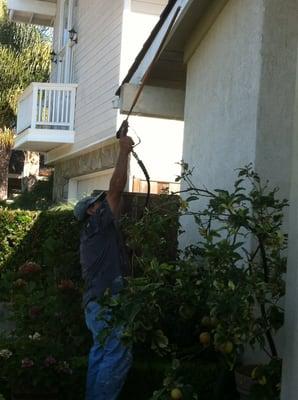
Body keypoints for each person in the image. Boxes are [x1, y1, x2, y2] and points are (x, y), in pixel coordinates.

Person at [73, 135, 134, 400]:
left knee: (102, 351)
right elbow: (116, 189)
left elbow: (116, 196)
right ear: (90, 211)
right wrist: (123, 149)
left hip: (97, 305)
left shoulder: (96, 231)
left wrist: (126, 151)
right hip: (105, 304)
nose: (105, 203)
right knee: (118, 353)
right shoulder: (97, 225)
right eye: (99, 202)